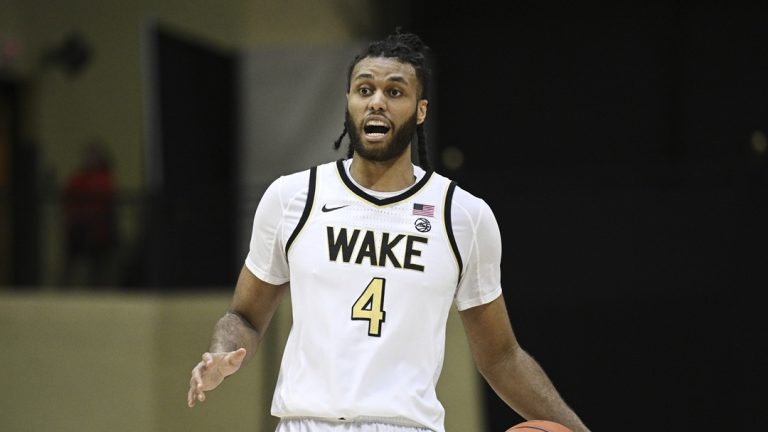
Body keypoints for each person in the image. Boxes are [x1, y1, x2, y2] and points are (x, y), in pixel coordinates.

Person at [187, 30, 590, 432]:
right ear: (349, 101)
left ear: (421, 111)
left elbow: (501, 357)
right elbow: (244, 316)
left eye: (394, 92)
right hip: (305, 423)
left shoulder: (463, 215)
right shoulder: (292, 197)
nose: (377, 101)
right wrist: (220, 353)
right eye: (365, 90)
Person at [60, 139, 117, 287]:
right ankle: (64, 290)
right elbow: (68, 196)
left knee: (99, 268)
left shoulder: (104, 179)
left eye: (94, 156)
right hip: (79, 230)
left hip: (99, 232)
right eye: (88, 155)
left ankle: (100, 290)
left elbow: (106, 201)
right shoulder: (79, 179)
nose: (90, 159)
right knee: (72, 265)